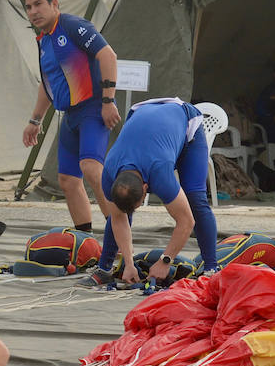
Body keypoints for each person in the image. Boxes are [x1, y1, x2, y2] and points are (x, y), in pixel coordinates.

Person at [21, 0, 121, 235]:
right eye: (28, 7)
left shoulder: (72, 26)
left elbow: (108, 55)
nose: (33, 11)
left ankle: (119, 240)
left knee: (91, 168)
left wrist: (108, 100)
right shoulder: (44, 40)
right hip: (70, 115)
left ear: (54, 4)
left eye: (38, 4)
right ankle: (85, 241)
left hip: (93, 108)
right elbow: (48, 83)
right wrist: (35, 121)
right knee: (67, 181)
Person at [91, 98, 220, 286]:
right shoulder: (109, 173)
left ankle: (211, 268)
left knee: (195, 198)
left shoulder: (160, 174)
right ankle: (105, 268)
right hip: (146, 116)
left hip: (185, 122)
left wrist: (165, 261)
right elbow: (118, 218)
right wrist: (128, 264)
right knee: (118, 212)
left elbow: (186, 222)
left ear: (146, 188)